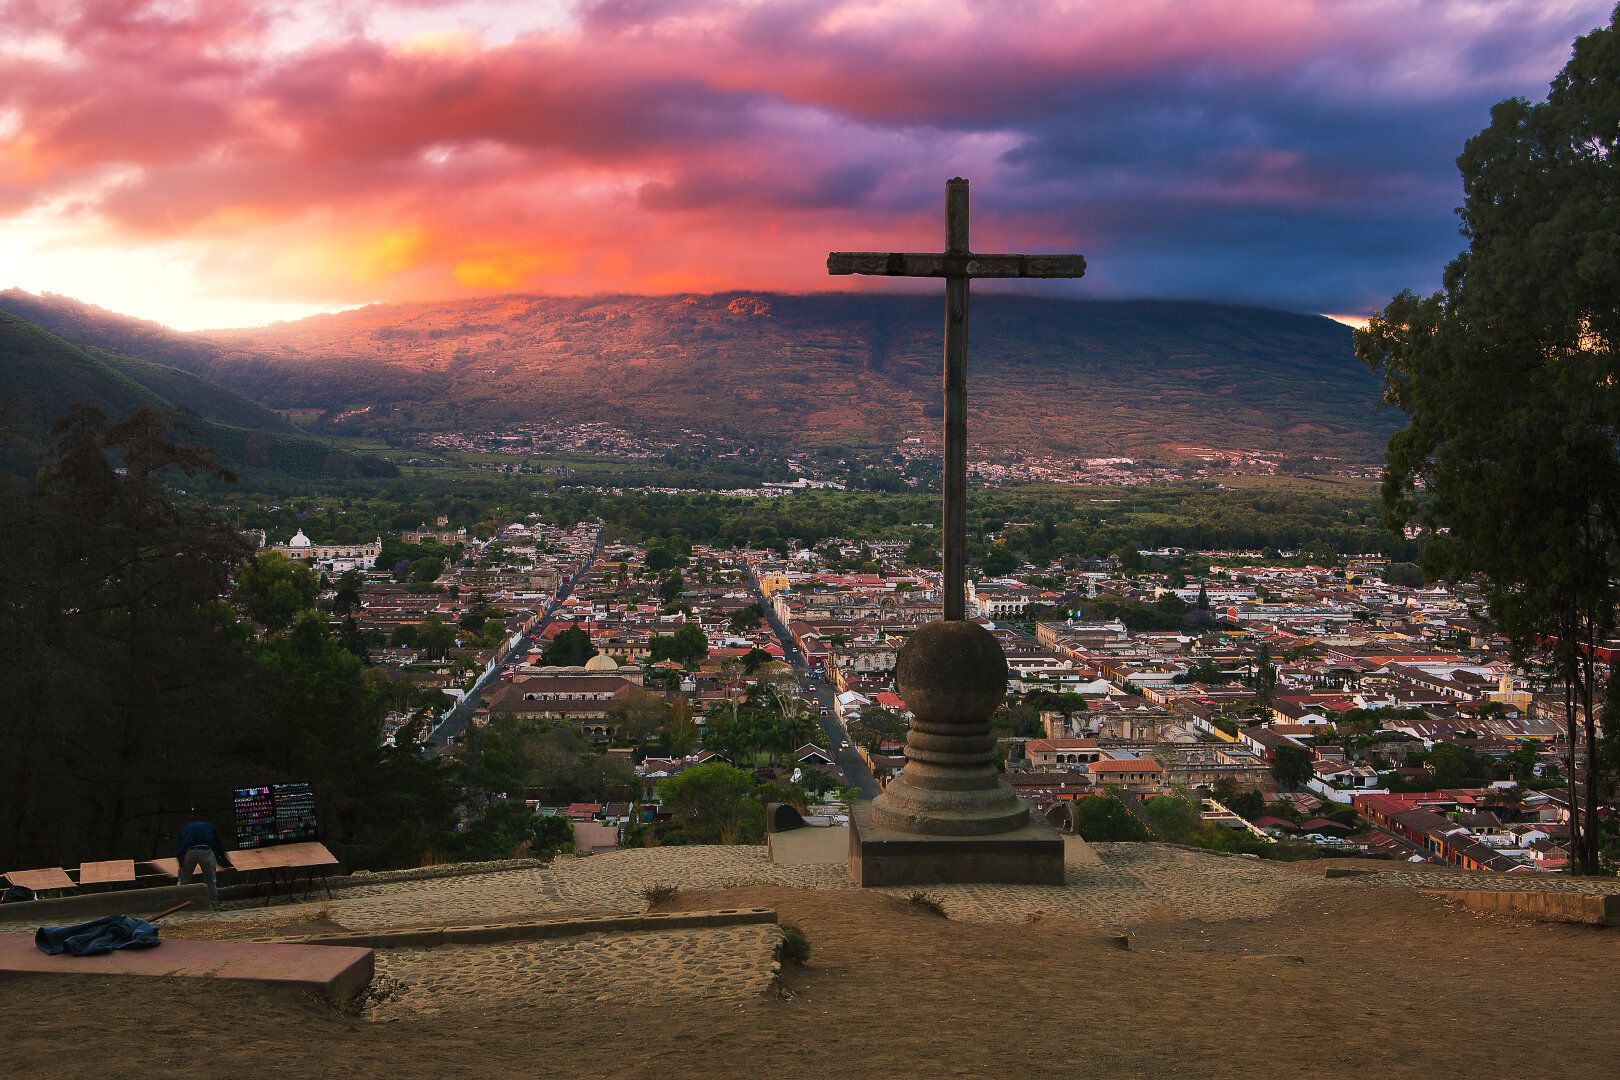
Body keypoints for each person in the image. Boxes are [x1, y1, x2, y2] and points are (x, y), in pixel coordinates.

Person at [174, 819, 228, 910]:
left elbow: (178, 845)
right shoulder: (209, 826)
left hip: (189, 851)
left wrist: (181, 859)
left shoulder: (185, 828)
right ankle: (213, 904)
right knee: (210, 880)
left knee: (183, 880)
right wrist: (223, 859)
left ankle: (180, 905)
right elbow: (219, 843)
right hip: (206, 850)